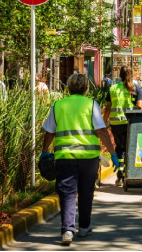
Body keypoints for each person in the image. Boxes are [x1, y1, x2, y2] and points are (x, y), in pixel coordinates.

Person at [40, 73, 118, 246]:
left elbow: (50, 131)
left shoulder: (59, 105)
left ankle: (67, 230)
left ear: (68, 88)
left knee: (67, 193)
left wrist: (44, 150)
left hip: (65, 156)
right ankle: (84, 227)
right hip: (89, 157)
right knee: (86, 191)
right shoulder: (91, 104)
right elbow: (101, 131)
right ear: (86, 88)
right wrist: (113, 153)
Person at [103, 66, 142, 186]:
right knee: (129, 148)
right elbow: (140, 107)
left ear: (119, 75)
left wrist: (104, 121)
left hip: (116, 124)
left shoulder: (113, 88)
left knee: (120, 147)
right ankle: (127, 173)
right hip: (130, 124)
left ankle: (120, 175)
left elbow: (108, 107)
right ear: (131, 75)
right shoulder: (136, 88)